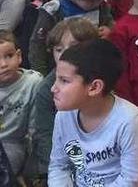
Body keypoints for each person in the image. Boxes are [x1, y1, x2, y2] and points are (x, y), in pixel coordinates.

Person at [48, 39, 138, 186]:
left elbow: (130, 180)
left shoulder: (131, 120)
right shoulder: (63, 116)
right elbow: (58, 166)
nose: (53, 88)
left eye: (64, 81)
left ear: (94, 87)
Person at [25, 17, 98, 185]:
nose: (65, 54)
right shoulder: (46, 89)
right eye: (59, 49)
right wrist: (51, 169)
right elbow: (45, 134)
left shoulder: (99, 81)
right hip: (58, 157)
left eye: (74, 47)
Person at [29, 0, 117, 75]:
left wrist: (109, 31)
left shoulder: (101, 5)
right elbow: (37, 46)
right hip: (60, 69)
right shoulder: (54, 10)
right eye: (89, 0)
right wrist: (40, 74)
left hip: (94, 66)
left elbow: (109, 22)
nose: (95, 3)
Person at [0, 30, 40, 176]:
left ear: (19, 56)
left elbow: (35, 128)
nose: (3, 64)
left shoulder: (33, 83)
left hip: (12, 144)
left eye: (9, 56)